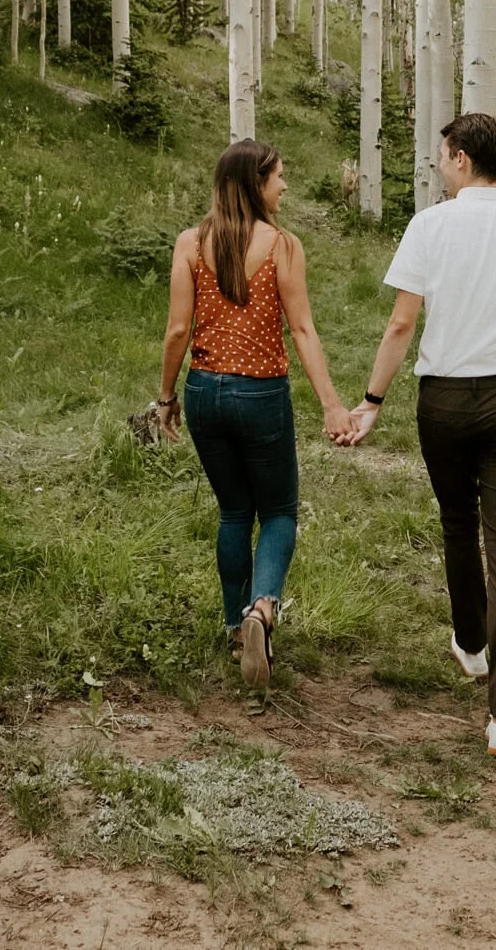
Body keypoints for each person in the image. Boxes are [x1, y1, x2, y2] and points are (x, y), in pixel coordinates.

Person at [340, 111, 496, 758]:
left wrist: (371, 402)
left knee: (457, 521)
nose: (439, 163)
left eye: (441, 153)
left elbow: (400, 325)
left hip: (443, 399)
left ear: (459, 159)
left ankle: (472, 646)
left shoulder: (430, 225)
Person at [159, 139, 352, 688]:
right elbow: (303, 329)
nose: (284, 186)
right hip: (261, 394)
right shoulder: (282, 246)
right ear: (254, 182)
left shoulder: (191, 243)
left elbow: (178, 330)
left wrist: (167, 397)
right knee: (280, 512)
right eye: (278, 178)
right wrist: (332, 405)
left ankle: (230, 624)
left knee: (233, 513)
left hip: (203, 394)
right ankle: (260, 612)